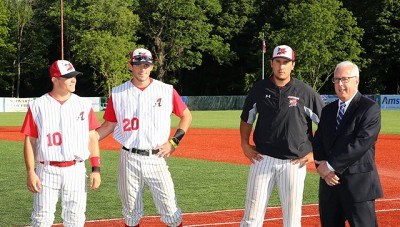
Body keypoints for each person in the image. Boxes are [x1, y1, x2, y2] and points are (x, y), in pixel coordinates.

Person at [96, 48, 192, 227]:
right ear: (130, 66)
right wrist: (88, 138)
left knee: (170, 210)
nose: (142, 69)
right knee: (131, 212)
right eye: (138, 64)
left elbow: (186, 115)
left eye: (146, 65)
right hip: (128, 157)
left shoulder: (166, 90)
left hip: (156, 157)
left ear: (152, 66)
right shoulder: (117, 93)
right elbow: (108, 125)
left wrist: (174, 142)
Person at [240, 45, 325, 227]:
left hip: (294, 163)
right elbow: (247, 119)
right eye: (278, 61)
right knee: (251, 217)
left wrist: (314, 153)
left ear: (293, 65)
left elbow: (326, 124)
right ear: (271, 63)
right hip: (263, 158)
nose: (281, 66)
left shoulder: (305, 92)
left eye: (286, 62)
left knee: (292, 219)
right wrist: (245, 145)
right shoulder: (259, 89)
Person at [21, 60, 102, 226]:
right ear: (54, 79)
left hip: (76, 169)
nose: (74, 80)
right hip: (47, 170)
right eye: (68, 77)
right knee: (41, 219)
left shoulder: (83, 105)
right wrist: (30, 171)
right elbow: (30, 141)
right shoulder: (38, 105)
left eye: (74, 76)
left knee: (75, 219)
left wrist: (96, 169)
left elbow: (92, 137)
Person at [312, 61, 383, 227]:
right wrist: (322, 168)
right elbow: (318, 141)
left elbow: (361, 143)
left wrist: (329, 167)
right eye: (336, 80)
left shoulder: (369, 108)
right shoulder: (328, 110)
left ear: (356, 80)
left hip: (358, 188)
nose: (340, 84)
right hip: (330, 186)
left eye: (344, 79)